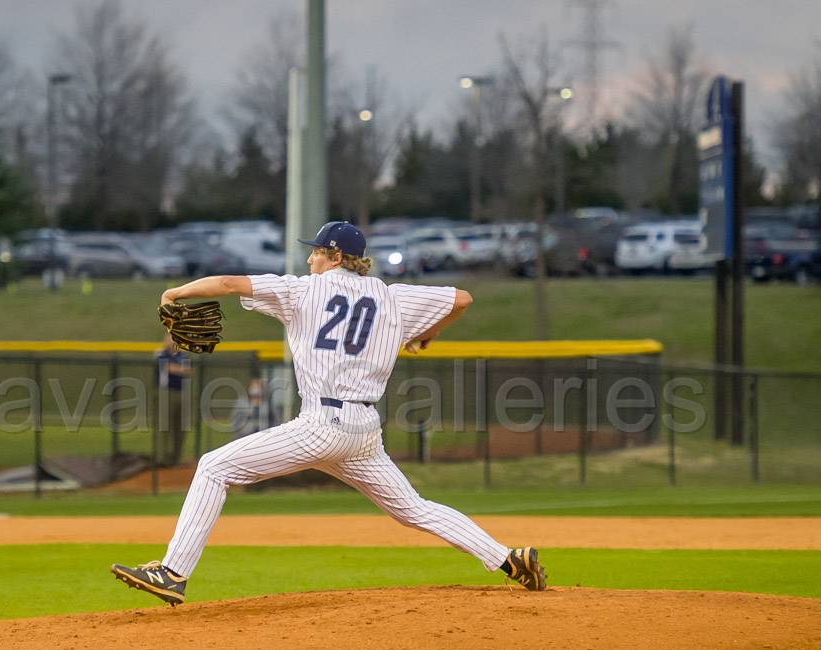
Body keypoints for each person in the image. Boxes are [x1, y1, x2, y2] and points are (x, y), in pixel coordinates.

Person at [111, 220, 546, 606]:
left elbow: (227, 283)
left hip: (321, 424)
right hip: (363, 432)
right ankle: (508, 559)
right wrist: (426, 334)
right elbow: (462, 298)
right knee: (414, 509)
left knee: (213, 467)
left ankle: (172, 573)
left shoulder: (302, 289)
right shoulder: (391, 297)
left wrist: (174, 292)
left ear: (336, 256)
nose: (309, 258)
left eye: (316, 251)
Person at [155, 333, 192, 467]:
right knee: (164, 425)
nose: (172, 340)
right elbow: (168, 367)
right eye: (170, 337)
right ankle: (162, 459)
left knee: (180, 427)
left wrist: (179, 369)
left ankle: (176, 459)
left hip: (182, 392)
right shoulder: (161, 353)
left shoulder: (183, 355)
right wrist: (180, 369)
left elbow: (188, 370)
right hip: (166, 392)